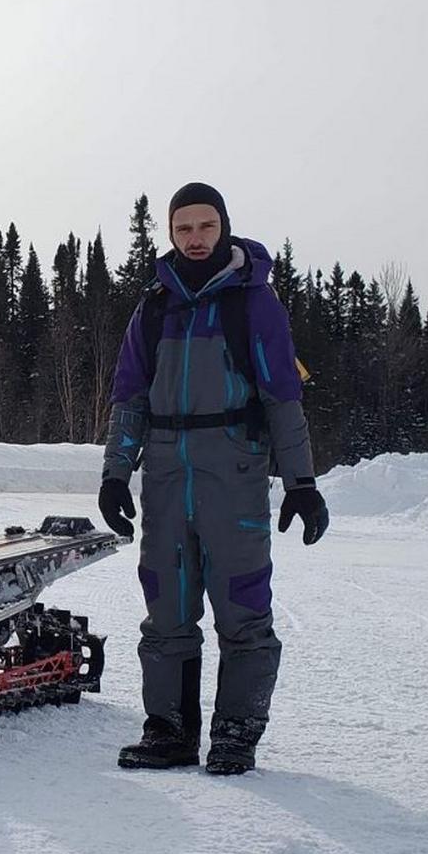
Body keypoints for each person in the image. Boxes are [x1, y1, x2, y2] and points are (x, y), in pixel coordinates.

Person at [97, 182, 328, 775]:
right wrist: (116, 473)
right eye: (183, 229)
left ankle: (235, 734)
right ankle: (169, 731)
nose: (194, 239)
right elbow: (129, 398)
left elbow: (283, 396)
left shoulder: (252, 302)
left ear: (222, 227)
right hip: (168, 478)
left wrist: (300, 481)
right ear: (169, 234)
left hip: (235, 473)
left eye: (204, 227)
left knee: (243, 606)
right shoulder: (153, 305)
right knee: (167, 608)